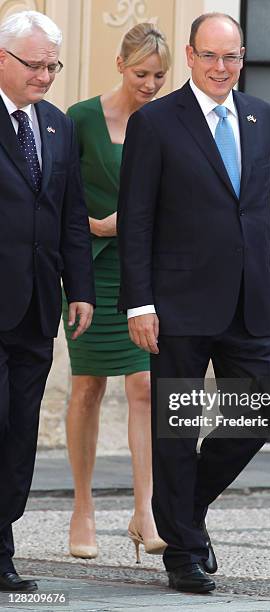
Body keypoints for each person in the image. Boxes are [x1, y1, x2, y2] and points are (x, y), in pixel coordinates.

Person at [117, 12, 270, 593]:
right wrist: (138, 303)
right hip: (176, 305)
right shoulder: (155, 122)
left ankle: (181, 515)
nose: (221, 68)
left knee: (262, 411)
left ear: (242, 58)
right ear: (191, 57)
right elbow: (137, 220)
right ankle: (184, 554)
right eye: (210, 56)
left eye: (232, 57)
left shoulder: (264, 118)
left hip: (253, 300)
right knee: (177, 427)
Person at [63, 23, 170, 561]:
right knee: (86, 388)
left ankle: (144, 509)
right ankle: (83, 508)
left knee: (144, 387)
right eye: (142, 73)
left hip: (143, 274)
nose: (150, 84)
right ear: (120, 64)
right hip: (89, 270)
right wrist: (95, 226)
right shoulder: (80, 119)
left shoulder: (165, 121)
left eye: (159, 75)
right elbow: (55, 195)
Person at [0, 11, 95, 592]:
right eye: (34, 65)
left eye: (52, 65)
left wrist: (79, 288)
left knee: (18, 432)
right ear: (2, 59)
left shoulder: (57, 126)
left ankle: (2, 545)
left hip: (36, 306)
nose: (45, 76)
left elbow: (69, 217)